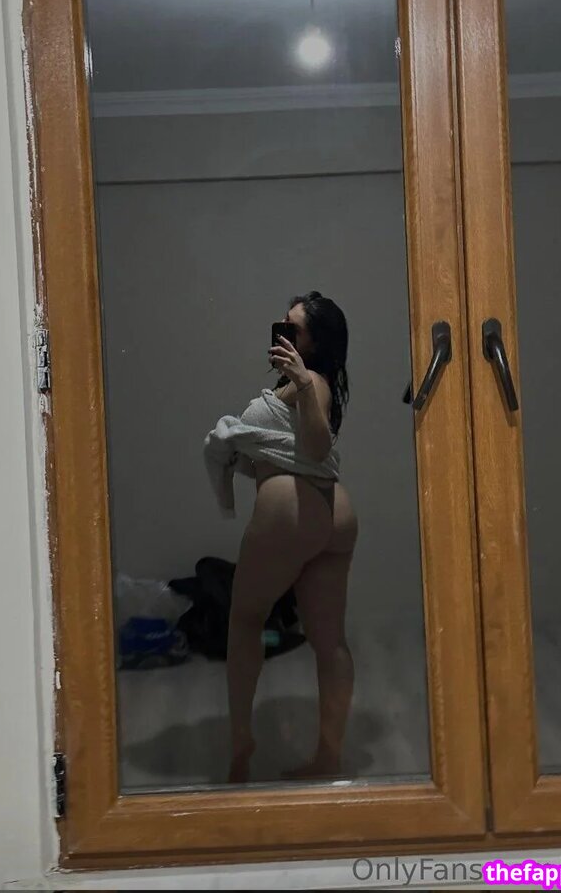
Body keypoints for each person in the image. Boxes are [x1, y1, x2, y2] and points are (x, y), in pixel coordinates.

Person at [224, 290, 358, 784]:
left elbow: (317, 446)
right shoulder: (306, 384)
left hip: (291, 508)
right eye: (282, 322)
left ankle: (241, 742)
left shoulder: (312, 383)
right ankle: (329, 758)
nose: (281, 331)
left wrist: (301, 381)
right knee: (330, 642)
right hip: (333, 512)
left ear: (314, 344)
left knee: (245, 621)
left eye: (293, 328)